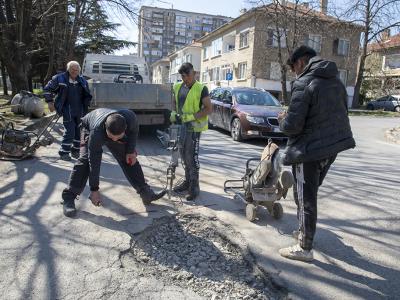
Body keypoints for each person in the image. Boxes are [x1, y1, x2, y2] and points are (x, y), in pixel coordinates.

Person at [277, 45, 356, 262]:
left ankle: (304, 247)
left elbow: (292, 126)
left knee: (305, 198)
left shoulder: (304, 82)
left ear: (301, 62)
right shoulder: (336, 82)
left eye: (294, 68)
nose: (295, 72)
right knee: (307, 194)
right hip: (332, 148)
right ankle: (305, 232)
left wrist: (282, 118)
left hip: (308, 150)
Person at [61, 108, 166, 217]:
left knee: (129, 159)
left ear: (125, 128)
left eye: (118, 137)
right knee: (85, 161)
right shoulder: (96, 133)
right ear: (105, 128)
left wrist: (130, 150)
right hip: (89, 127)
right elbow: (94, 162)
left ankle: (146, 193)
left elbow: (134, 132)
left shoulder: (130, 118)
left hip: (109, 129)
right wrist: (94, 189)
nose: (115, 140)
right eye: (112, 137)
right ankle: (68, 198)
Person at [170, 63, 212, 201]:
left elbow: (208, 109)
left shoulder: (201, 89)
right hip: (182, 127)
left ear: (193, 73)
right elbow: (175, 103)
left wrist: (191, 117)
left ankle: (194, 186)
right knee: (182, 154)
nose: (185, 79)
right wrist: (173, 113)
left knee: (191, 157)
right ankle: (187, 181)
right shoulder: (177, 87)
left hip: (194, 128)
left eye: (187, 75)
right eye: (183, 76)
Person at [44, 61, 92, 161]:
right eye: (72, 69)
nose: (75, 72)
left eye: (77, 70)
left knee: (79, 131)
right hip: (67, 109)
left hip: (80, 109)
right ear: (68, 69)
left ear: (79, 70)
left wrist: (88, 104)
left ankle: (75, 150)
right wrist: (49, 102)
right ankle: (64, 152)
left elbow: (87, 94)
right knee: (70, 131)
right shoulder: (59, 78)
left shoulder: (82, 81)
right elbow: (47, 89)